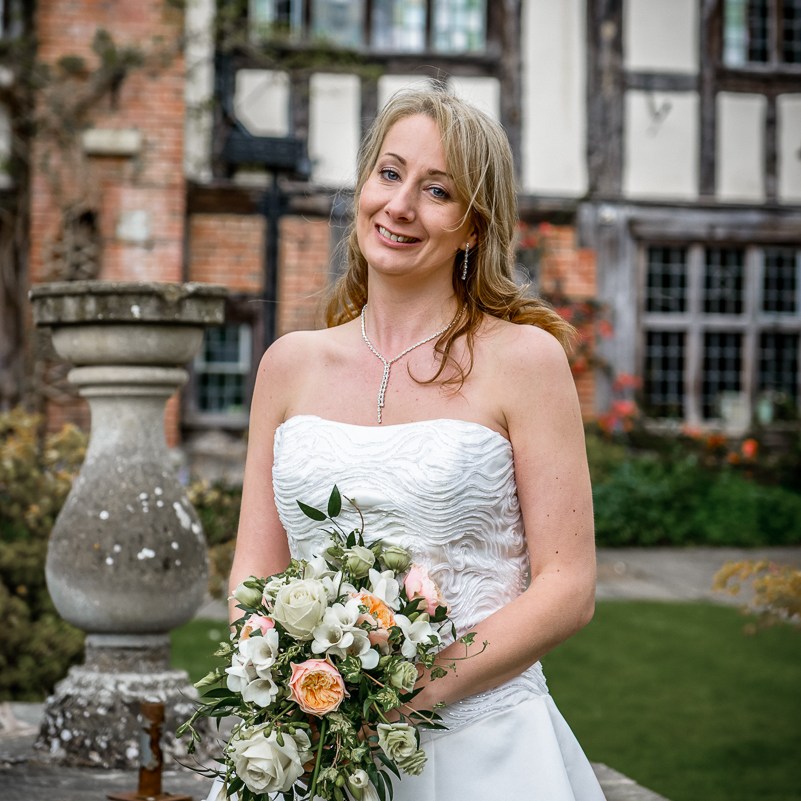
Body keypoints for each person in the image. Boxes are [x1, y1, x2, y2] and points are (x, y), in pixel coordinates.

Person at [228, 86, 606, 800]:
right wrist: (285, 686)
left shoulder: (525, 361)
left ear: (472, 227)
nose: (399, 206)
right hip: (312, 744)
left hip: (484, 751)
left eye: (437, 190)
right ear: (364, 185)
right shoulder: (288, 363)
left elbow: (568, 588)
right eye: (389, 173)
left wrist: (393, 696)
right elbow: (254, 568)